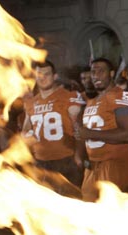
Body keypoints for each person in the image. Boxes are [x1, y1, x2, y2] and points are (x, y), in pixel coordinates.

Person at [22, 60, 86, 193]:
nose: (43, 78)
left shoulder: (68, 97)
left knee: (70, 202)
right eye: (40, 74)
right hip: (40, 162)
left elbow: (79, 129)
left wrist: (78, 156)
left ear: (55, 76)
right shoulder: (31, 102)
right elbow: (25, 130)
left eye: (47, 74)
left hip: (65, 160)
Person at [79, 57, 128, 201]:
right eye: (93, 72)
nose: (96, 75)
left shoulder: (120, 96)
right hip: (92, 166)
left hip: (114, 165)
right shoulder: (92, 101)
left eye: (101, 71)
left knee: (111, 215)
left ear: (111, 74)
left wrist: (90, 134)